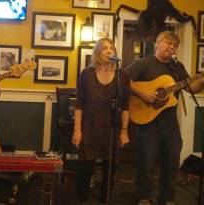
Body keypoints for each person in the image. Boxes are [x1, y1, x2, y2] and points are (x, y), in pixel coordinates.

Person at [125, 31, 204, 205]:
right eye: (168, 43)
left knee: (172, 161)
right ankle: (143, 197)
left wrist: (203, 80)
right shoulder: (143, 64)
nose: (172, 47)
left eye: (174, 45)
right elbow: (123, 79)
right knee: (147, 162)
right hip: (148, 122)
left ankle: (167, 198)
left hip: (170, 123)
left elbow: (192, 87)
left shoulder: (177, 68)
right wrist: (144, 94)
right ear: (158, 43)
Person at [72, 38, 130, 203]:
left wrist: (124, 131)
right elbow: (79, 104)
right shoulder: (86, 74)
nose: (109, 50)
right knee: (85, 169)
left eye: (111, 48)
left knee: (110, 170)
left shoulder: (122, 76)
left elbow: (126, 106)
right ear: (97, 52)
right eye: (105, 48)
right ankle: (81, 199)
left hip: (113, 129)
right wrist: (77, 130)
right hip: (90, 128)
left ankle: (104, 199)